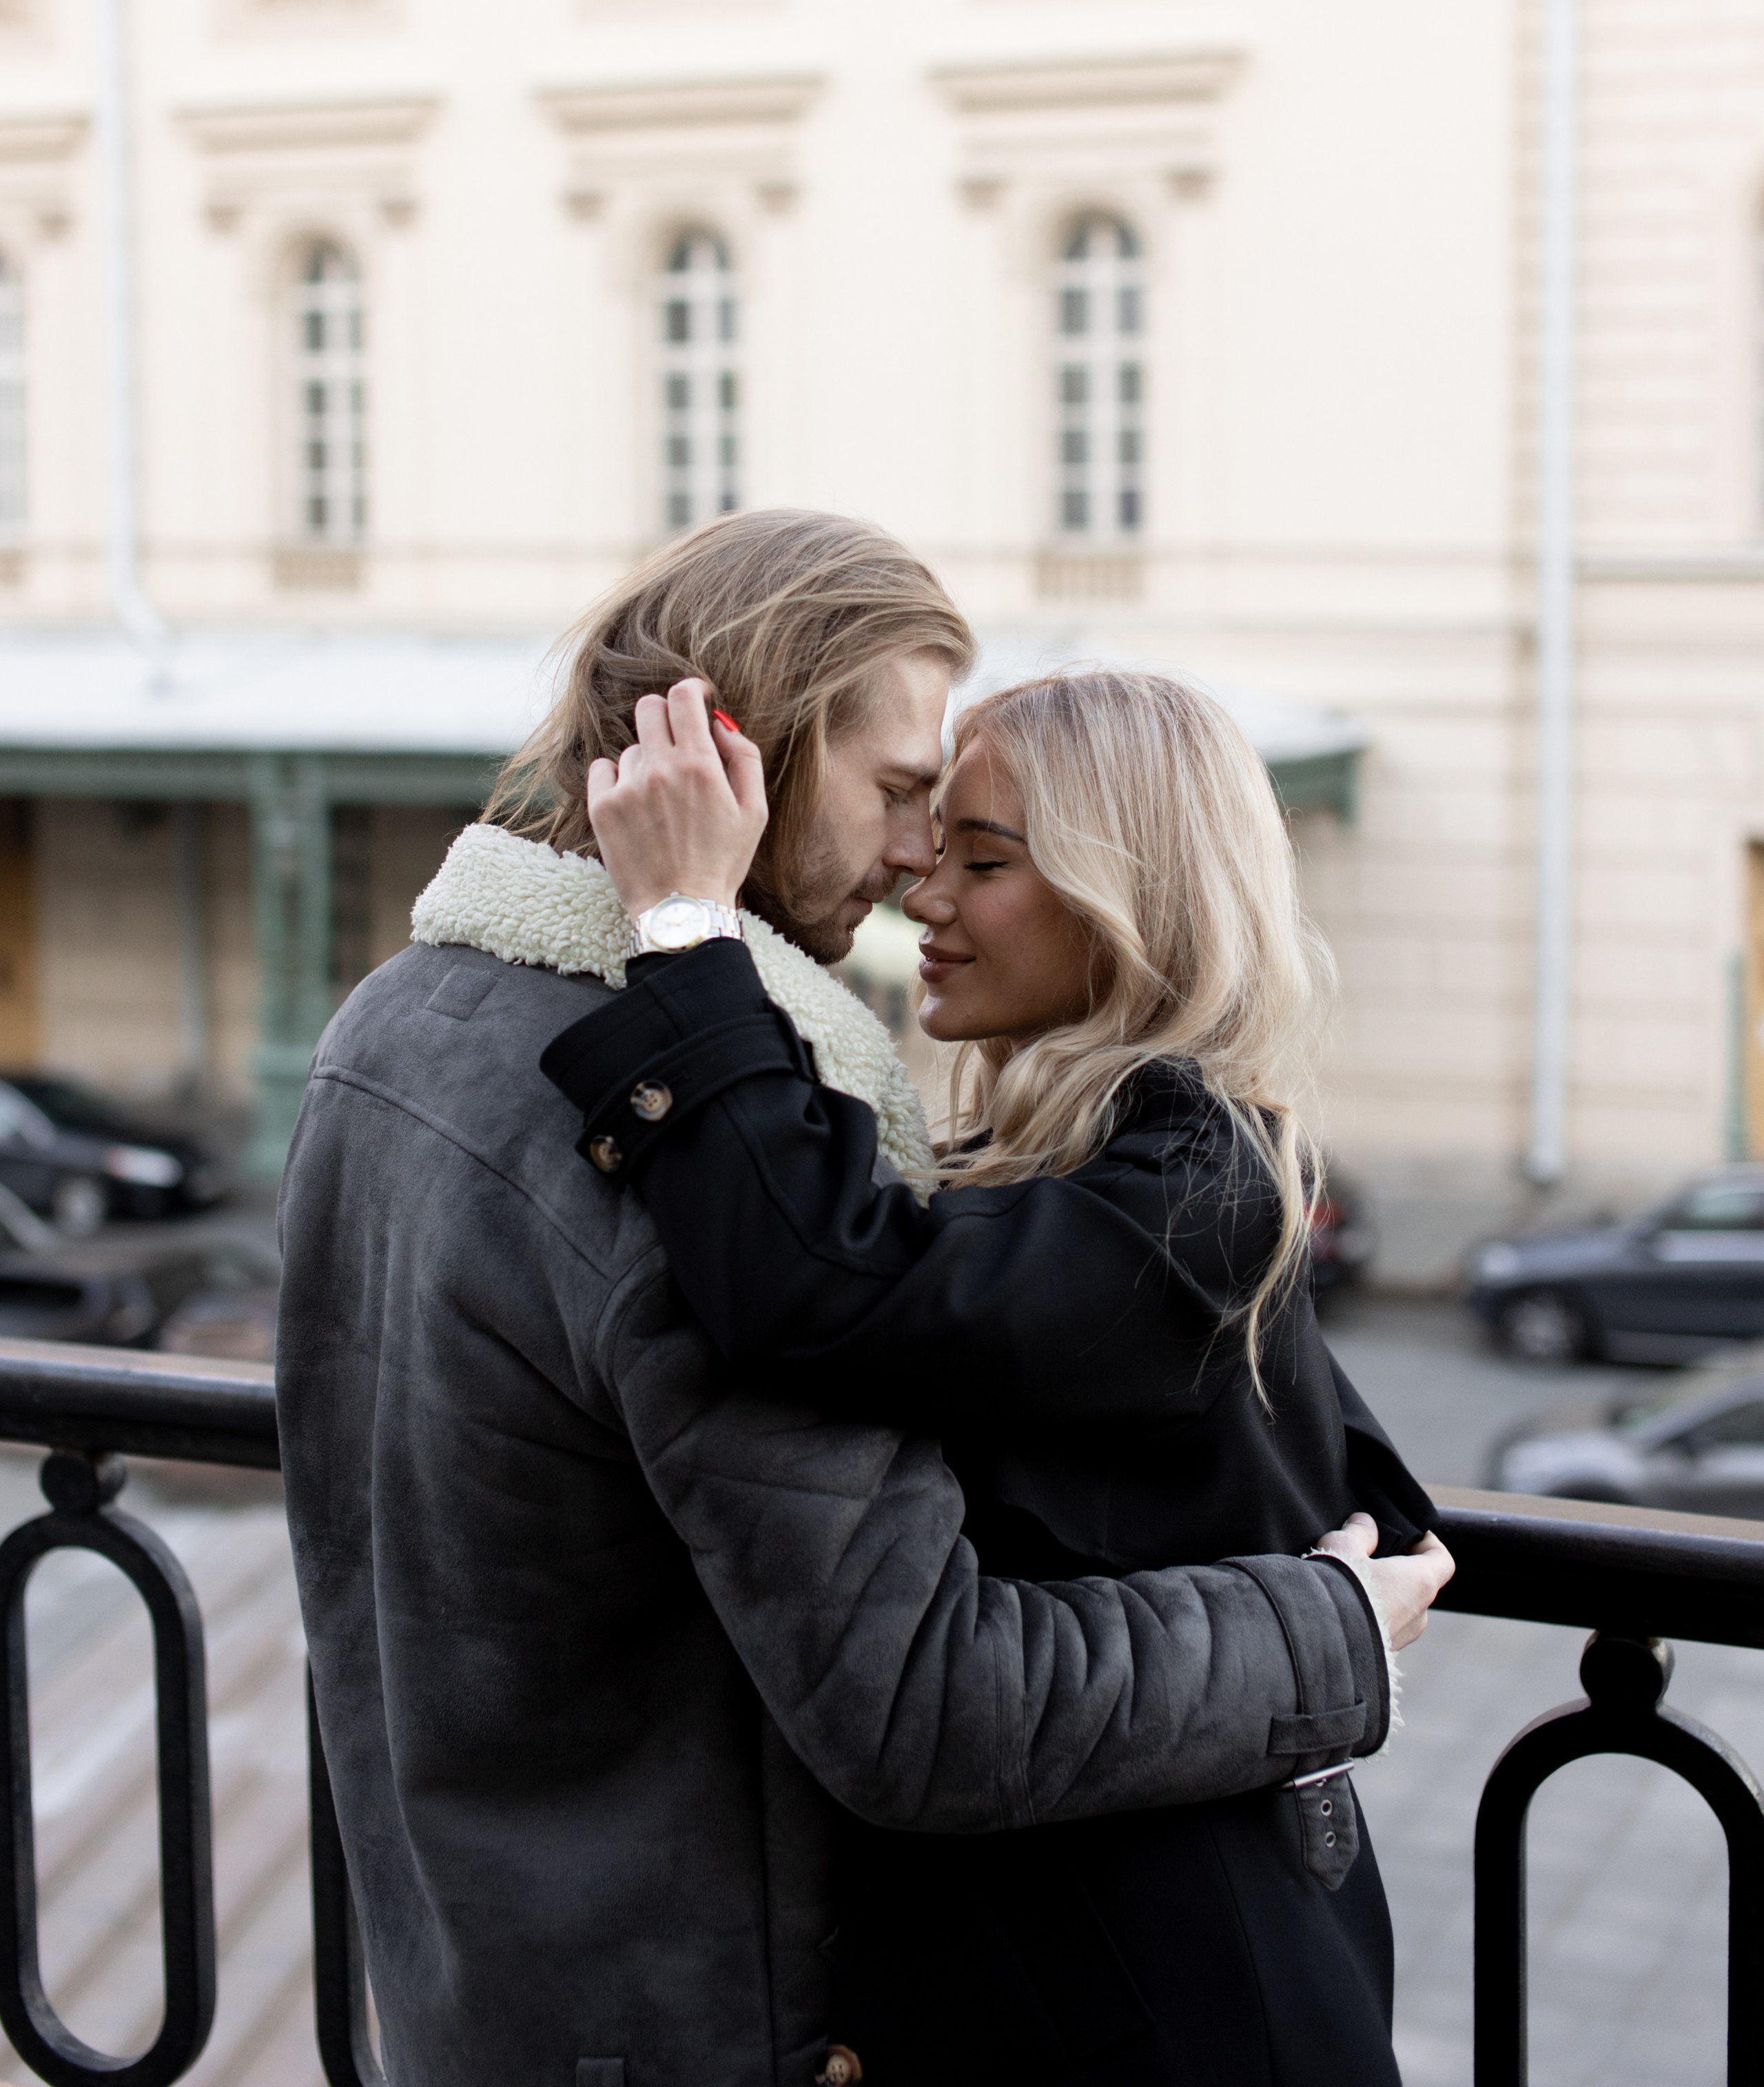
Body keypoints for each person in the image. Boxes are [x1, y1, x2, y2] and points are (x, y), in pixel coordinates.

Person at [276, 510, 1452, 2087]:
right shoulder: (700, 1122)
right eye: (908, 801)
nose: (915, 872)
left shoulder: (390, 1021)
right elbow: (923, 1694)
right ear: (724, 754)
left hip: (468, 1979)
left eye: (973, 846)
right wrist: (1319, 1637)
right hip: (704, 2016)